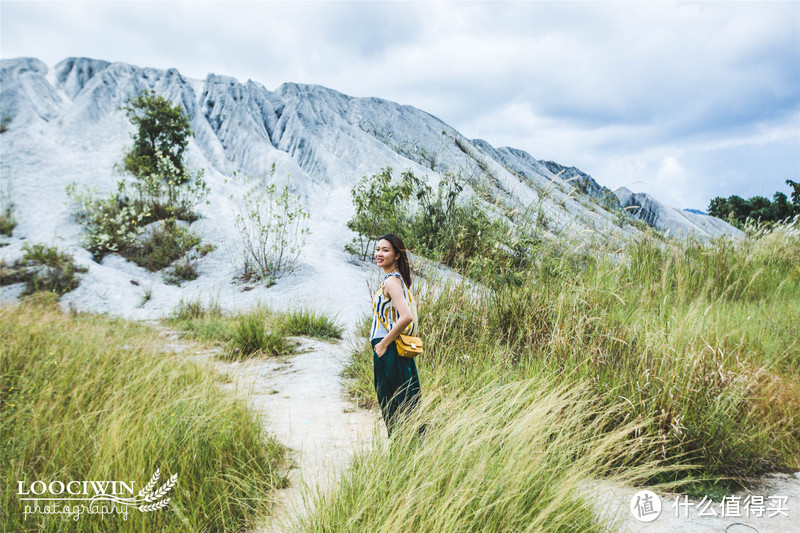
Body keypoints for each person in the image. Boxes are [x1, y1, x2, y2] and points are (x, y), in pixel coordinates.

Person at [370, 233, 422, 437]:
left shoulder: (392, 281)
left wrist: (383, 344)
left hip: (390, 348)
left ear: (397, 255)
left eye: (385, 250)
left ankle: (402, 446)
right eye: (377, 249)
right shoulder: (397, 280)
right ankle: (411, 445)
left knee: (391, 401)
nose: (379, 254)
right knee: (406, 399)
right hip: (396, 348)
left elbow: (406, 316)